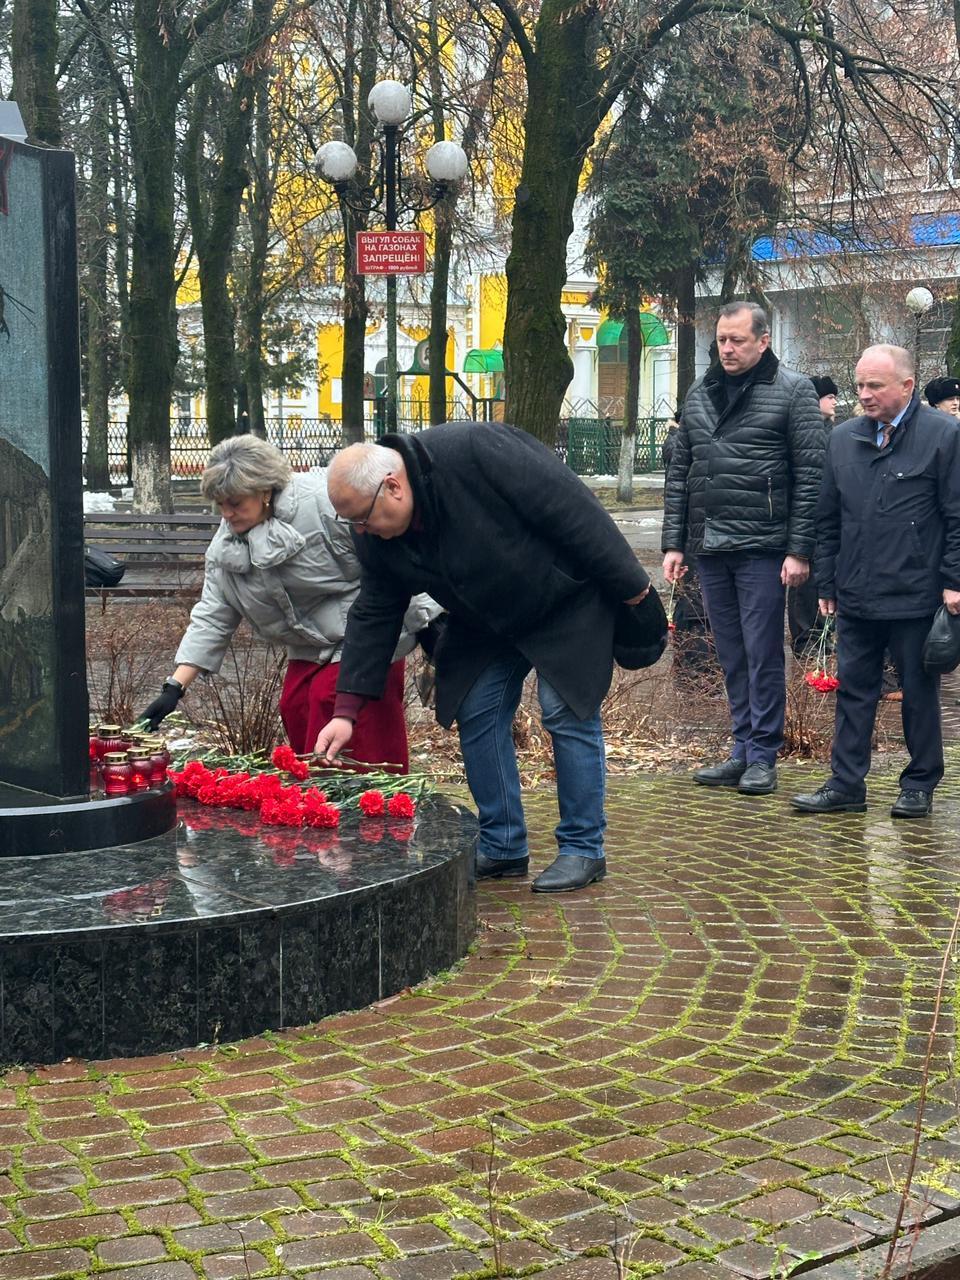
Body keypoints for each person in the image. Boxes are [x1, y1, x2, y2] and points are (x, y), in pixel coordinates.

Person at [313, 423, 655, 893]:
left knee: (566, 710)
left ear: (393, 486)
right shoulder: (374, 528)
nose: (359, 532)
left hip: (564, 598)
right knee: (475, 707)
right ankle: (503, 844)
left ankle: (582, 848)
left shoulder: (474, 451)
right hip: (483, 617)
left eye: (362, 519)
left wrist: (634, 590)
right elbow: (374, 611)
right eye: (350, 523)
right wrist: (346, 710)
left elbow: (573, 510)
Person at [139, 434, 437, 771]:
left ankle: (373, 806)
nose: (227, 513)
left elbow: (392, 563)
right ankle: (322, 801)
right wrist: (174, 688)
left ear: (264, 490)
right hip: (308, 645)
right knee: (295, 706)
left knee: (332, 703)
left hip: (365, 636)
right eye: (220, 504)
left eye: (235, 502)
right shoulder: (227, 544)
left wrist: (430, 624)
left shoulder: (323, 504)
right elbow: (213, 615)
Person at [661, 301, 824, 795]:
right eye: (722, 340)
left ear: (763, 341)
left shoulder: (793, 392)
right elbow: (680, 472)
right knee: (730, 652)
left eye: (737, 340)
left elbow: (811, 477)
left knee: (762, 651)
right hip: (710, 545)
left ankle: (763, 756)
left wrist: (799, 550)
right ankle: (740, 748)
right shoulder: (700, 390)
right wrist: (674, 544)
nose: (727, 349)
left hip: (763, 545)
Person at [792, 345, 960, 818]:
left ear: (907, 386)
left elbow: (957, 516)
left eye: (874, 386)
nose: (863, 395)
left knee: (918, 693)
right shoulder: (843, 440)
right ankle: (846, 784)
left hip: (917, 593)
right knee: (853, 691)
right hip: (857, 591)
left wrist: (954, 581)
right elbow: (828, 520)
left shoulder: (944, 436)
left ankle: (919, 783)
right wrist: (826, 585)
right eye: (859, 385)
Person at [788, 375, 839, 657]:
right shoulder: (805, 433)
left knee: (822, 579)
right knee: (803, 585)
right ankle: (806, 639)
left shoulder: (833, 432)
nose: (835, 402)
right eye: (829, 397)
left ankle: (822, 635)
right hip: (806, 518)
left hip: (826, 519)